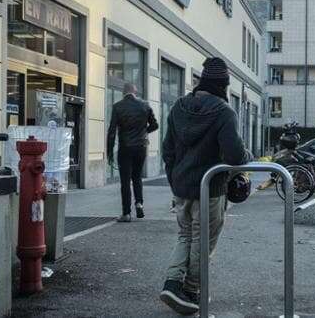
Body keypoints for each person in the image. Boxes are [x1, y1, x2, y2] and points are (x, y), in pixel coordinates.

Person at [159, 57, 249, 314]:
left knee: (185, 234)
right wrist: (249, 158)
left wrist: (175, 180)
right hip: (211, 189)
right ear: (223, 84)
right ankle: (191, 290)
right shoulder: (224, 112)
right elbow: (234, 156)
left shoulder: (179, 107)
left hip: (182, 186)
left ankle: (172, 282)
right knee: (203, 239)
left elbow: (167, 150)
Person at [107, 83, 158, 222]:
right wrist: (143, 132)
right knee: (137, 177)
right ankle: (139, 203)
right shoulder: (145, 105)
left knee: (125, 181)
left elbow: (111, 131)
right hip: (141, 147)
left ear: (124, 92)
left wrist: (109, 152)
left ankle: (126, 213)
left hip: (125, 147)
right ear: (135, 92)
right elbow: (155, 125)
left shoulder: (118, 106)